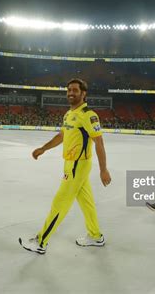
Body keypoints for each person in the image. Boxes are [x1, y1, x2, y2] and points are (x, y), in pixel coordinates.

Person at [19, 78, 112, 254]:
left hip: (78, 165)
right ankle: (95, 236)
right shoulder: (68, 114)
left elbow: (99, 141)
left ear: (83, 93)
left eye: (75, 90)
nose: (70, 93)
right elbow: (62, 136)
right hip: (69, 163)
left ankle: (41, 241)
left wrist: (103, 169)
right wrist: (43, 148)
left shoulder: (88, 115)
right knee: (87, 203)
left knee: (59, 203)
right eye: (69, 90)